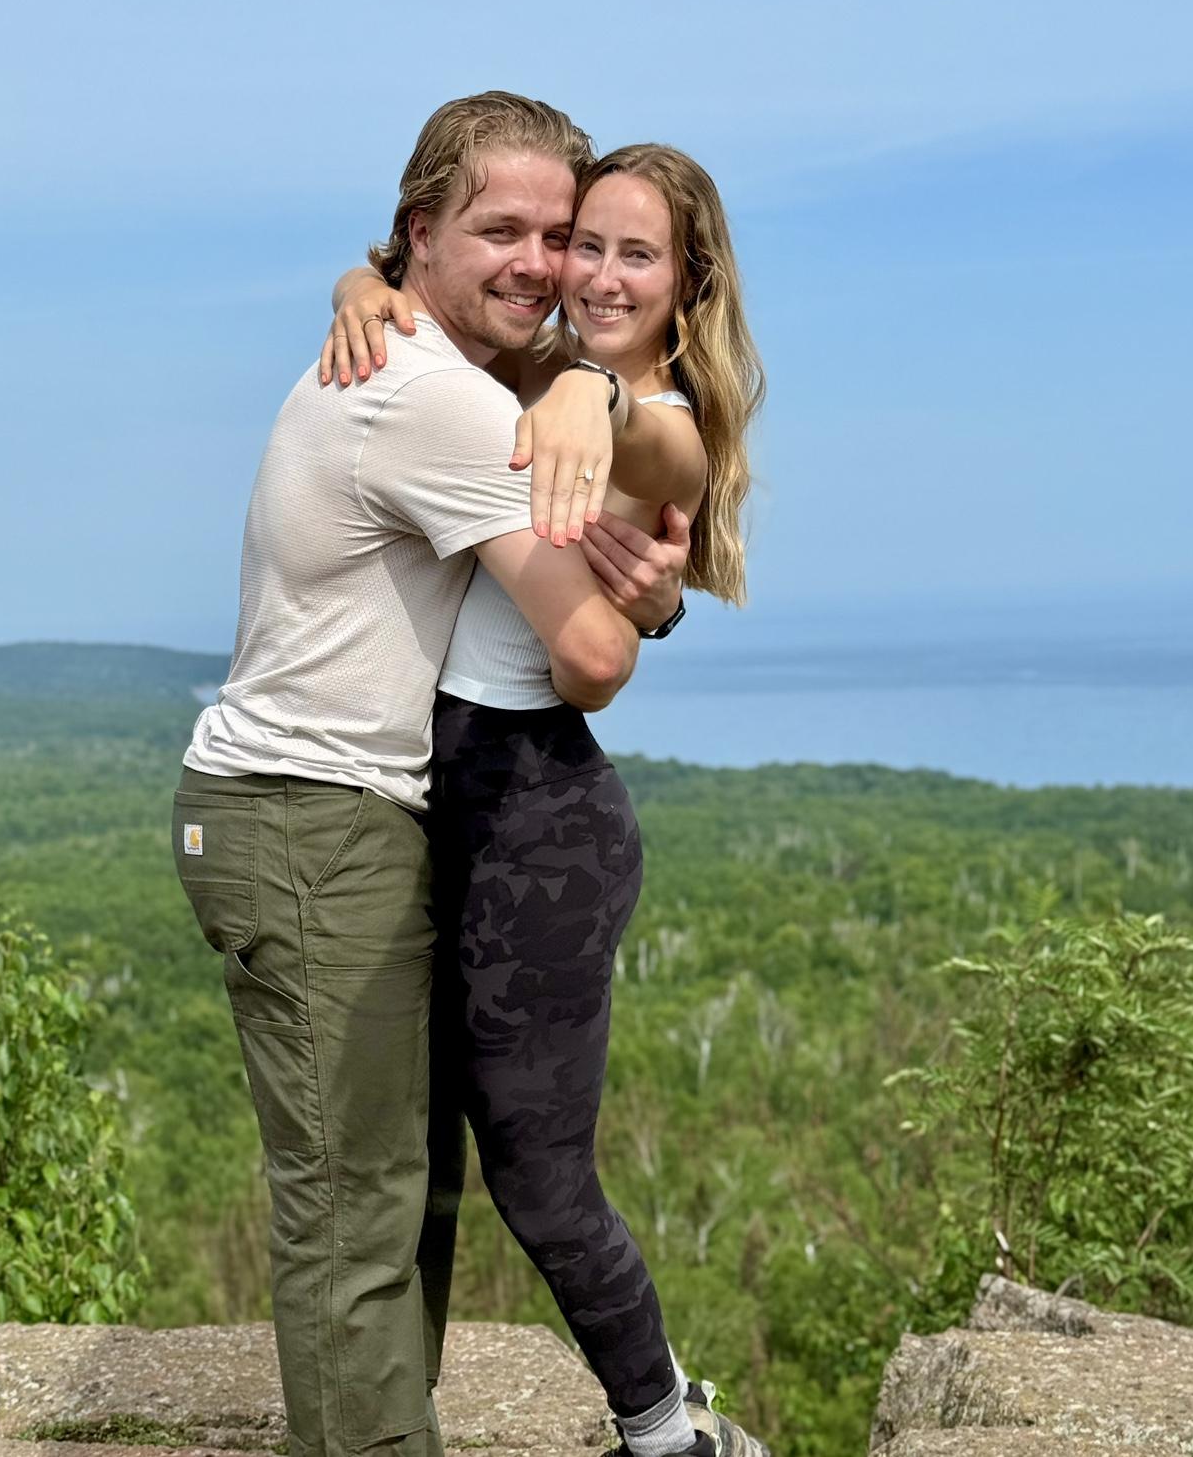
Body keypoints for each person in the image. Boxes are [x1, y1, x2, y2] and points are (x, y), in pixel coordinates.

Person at [171, 93, 687, 1457]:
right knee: (359, 1207)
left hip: (334, 815)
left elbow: (642, 437)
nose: (536, 262)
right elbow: (589, 652)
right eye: (499, 229)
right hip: (309, 818)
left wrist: (373, 282)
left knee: (404, 1192)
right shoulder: (437, 398)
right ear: (419, 234)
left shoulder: (400, 342)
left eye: (558, 235)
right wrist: (643, 601)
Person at [319, 142, 766, 1457]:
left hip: (541, 831)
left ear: (690, 281)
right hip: (445, 804)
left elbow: (678, 462)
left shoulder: (649, 405)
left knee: (539, 1176)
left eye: (638, 254)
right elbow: (433, 308)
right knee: (428, 1153)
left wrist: (602, 409)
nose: (599, 274)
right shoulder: (524, 373)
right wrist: (365, 278)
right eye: (589, 246)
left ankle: (665, 1434)